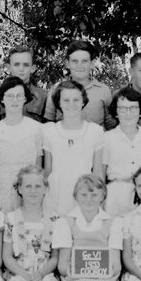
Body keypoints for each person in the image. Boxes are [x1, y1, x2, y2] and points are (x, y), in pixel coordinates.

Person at [42, 80, 105, 217]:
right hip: (56, 195)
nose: (71, 104)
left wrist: (100, 201)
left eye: (76, 100)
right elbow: (48, 170)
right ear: (59, 103)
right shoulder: (49, 131)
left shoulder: (95, 131)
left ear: (83, 101)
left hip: (85, 193)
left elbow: (98, 171)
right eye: (66, 100)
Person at [0, 76, 44, 211]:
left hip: (29, 193)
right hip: (1, 194)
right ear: (2, 99)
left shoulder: (37, 129)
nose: (15, 100)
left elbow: (38, 168)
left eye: (19, 96)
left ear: (25, 99)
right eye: (10, 96)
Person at [102, 86, 141, 216]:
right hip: (114, 196)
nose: (128, 113)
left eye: (133, 108)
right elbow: (100, 173)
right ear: (116, 112)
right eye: (122, 109)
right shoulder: (106, 138)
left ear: (140, 112)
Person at [43, 40, 115, 129]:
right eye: (75, 61)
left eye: (84, 61)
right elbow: (48, 123)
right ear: (67, 63)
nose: (79, 65)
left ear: (92, 63)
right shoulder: (56, 89)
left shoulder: (103, 90)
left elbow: (111, 126)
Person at [0, 45, 48, 123]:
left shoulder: (43, 97)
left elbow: (50, 129)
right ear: (8, 67)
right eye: (16, 64)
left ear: (32, 68)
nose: (21, 69)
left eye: (26, 65)